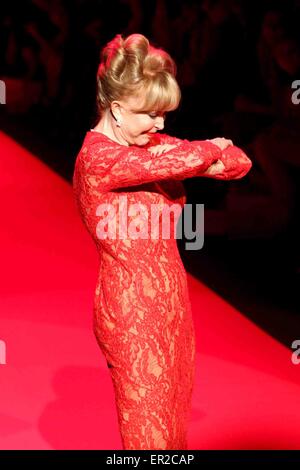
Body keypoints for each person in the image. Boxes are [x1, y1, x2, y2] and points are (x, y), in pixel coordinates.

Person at [72, 33, 252, 450]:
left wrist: (203, 155)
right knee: (147, 442)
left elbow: (239, 164)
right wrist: (208, 149)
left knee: (173, 436)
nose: (161, 124)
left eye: (163, 113)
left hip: (174, 305)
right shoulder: (97, 158)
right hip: (131, 311)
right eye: (150, 113)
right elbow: (194, 157)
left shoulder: (151, 148)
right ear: (116, 109)